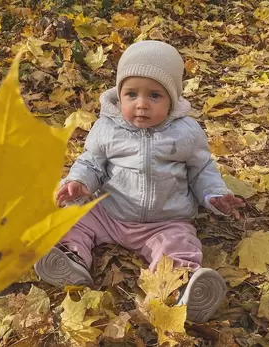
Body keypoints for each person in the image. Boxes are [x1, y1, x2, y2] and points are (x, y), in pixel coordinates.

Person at [34, 40, 244, 323]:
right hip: (109, 212)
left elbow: (201, 170)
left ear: (172, 99)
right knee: (73, 217)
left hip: (164, 220)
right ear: (119, 95)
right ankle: (70, 257)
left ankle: (180, 286)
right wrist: (79, 181)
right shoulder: (107, 128)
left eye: (154, 96)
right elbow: (91, 162)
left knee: (179, 243)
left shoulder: (186, 132)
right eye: (131, 94)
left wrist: (214, 195)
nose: (141, 105)